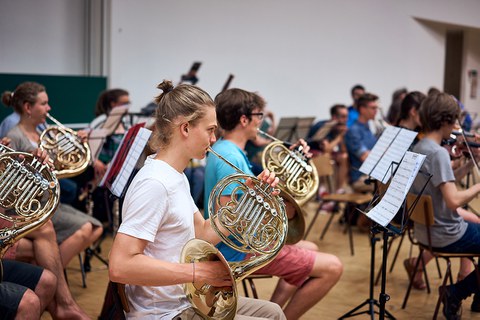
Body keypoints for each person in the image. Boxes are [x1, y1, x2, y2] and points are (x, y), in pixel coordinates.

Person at [109, 80, 286, 320]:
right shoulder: (155, 183)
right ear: (185, 128)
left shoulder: (176, 176)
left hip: (185, 299)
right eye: (210, 130)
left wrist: (249, 202)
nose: (214, 139)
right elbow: (120, 266)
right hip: (163, 313)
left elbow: (201, 232)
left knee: (273, 312)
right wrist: (195, 272)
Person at [204, 88, 343, 320]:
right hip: (239, 252)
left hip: (242, 246)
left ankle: (272, 314)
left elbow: (250, 196)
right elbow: (230, 221)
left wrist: (291, 159)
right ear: (244, 119)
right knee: (333, 267)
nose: (262, 122)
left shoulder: (226, 150)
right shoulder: (231, 158)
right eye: (259, 116)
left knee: (311, 249)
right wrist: (282, 212)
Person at [1, 81, 103, 268]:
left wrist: (79, 143)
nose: (49, 108)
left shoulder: (42, 132)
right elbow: (11, 187)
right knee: (85, 230)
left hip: (51, 201)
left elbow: (58, 166)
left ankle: (46, 267)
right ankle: (47, 275)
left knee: (97, 228)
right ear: (28, 107)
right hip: (33, 206)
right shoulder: (14, 136)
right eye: (44, 103)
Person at [410, 92, 480, 312]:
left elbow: (445, 182)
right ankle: (456, 292)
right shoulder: (438, 153)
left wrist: (470, 165)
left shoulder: (420, 147)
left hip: (426, 231)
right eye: (455, 120)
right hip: (446, 233)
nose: (456, 126)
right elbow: (452, 200)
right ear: (445, 121)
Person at [306, 104, 349, 192]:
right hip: (313, 153)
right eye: (343, 117)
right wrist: (340, 136)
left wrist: (342, 136)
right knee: (325, 154)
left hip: (327, 153)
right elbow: (326, 149)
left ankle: (339, 189)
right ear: (334, 117)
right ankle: (323, 189)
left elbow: (343, 150)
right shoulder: (323, 126)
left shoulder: (339, 128)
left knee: (344, 157)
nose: (346, 120)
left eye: (346, 117)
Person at [345, 92, 379, 192]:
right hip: (361, 178)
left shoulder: (368, 127)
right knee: (391, 187)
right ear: (362, 109)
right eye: (373, 108)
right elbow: (365, 157)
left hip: (372, 174)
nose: (376, 111)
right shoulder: (353, 130)